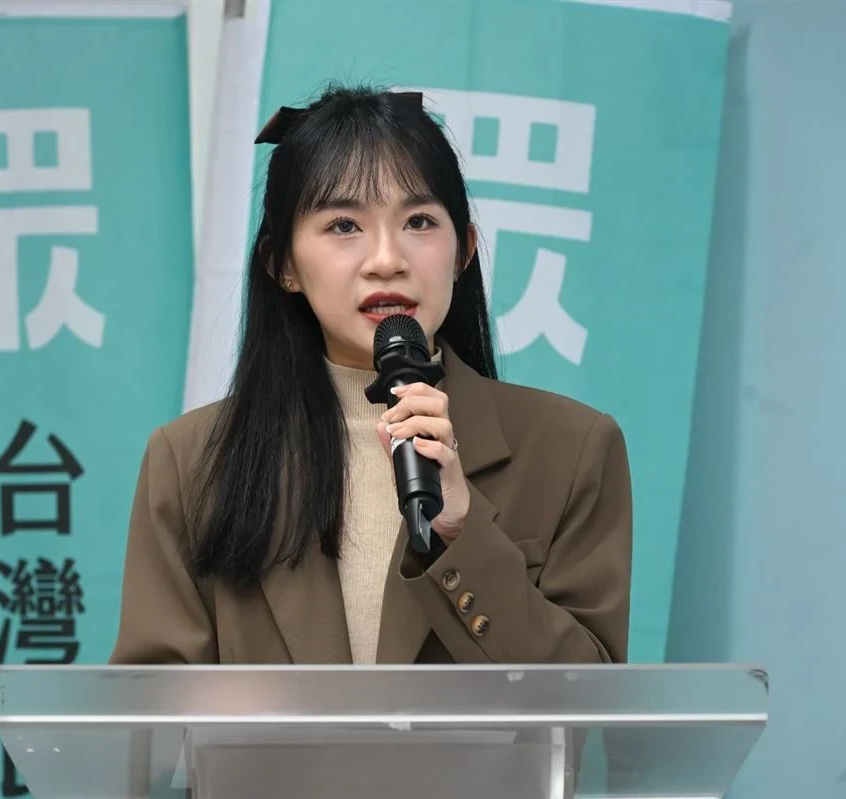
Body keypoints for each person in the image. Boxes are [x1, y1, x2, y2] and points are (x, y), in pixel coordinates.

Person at [109, 84, 632, 666]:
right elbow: (153, 707)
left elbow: (590, 696)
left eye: (419, 221)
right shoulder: (190, 463)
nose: (387, 260)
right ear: (283, 264)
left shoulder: (572, 450)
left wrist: (462, 535)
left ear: (463, 251)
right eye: (343, 226)